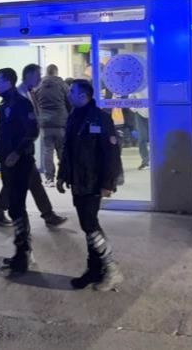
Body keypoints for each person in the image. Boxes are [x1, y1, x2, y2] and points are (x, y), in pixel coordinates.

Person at [57, 79, 124, 291]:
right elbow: (67, 150)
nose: (68, 94)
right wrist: (62, 175)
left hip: (93, 181)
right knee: (88, 225)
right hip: (78, 181)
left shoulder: (100, 118)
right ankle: (94, 270)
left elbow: (111, 153)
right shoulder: (73, 116)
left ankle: (111, 269)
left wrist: (108, 183)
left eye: (72, 91)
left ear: (83, 95)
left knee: (90, 225)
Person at [0, 68, 40, 273]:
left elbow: (33, 131)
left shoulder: (21, 103)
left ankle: (24, 253)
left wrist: (17, 153)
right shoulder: (4, 105)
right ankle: (22, 251)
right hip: (7, 165)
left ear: (8, 82)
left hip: (20, 164)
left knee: (17, 207)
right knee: (14, 207)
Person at [0, 64, 67, 227]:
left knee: (29, 182)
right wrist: (15, 151)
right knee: (19, 183)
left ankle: (0, 211)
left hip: (23, 149)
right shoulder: (18, 95)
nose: (40, 78)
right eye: (37, 75)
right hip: (17, 149)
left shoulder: (32, 92)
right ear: (29, 75)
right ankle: (44, 216)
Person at [34, 64, 71, 186]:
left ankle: (49, 179)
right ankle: (64, 177)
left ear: (47, 72)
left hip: (45, 123)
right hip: (61, 122)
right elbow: (70, 102)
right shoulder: (62, 85)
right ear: (56, 72)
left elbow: (35, 103)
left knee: (47, 151)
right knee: (62, 150)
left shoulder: (39, 85)